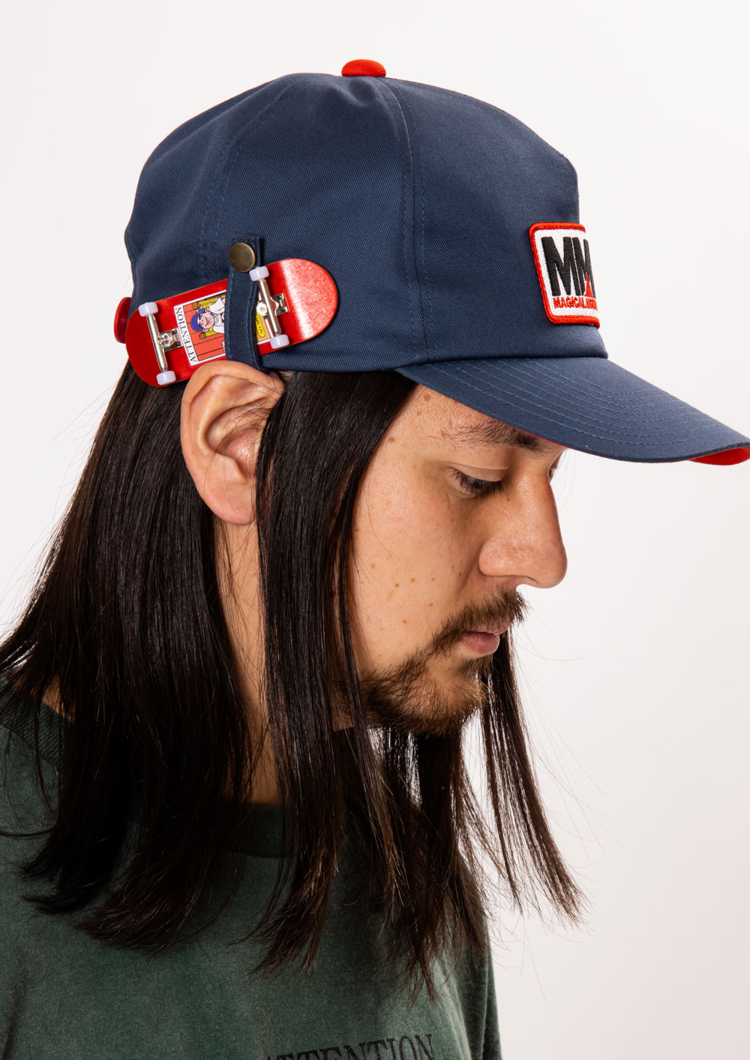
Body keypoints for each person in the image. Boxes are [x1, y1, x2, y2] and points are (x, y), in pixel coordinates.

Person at [1, 59, 748, 1059]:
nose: (543, 557)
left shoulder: (407, 880)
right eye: (479, 476)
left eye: (550, 474)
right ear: (237, 444)